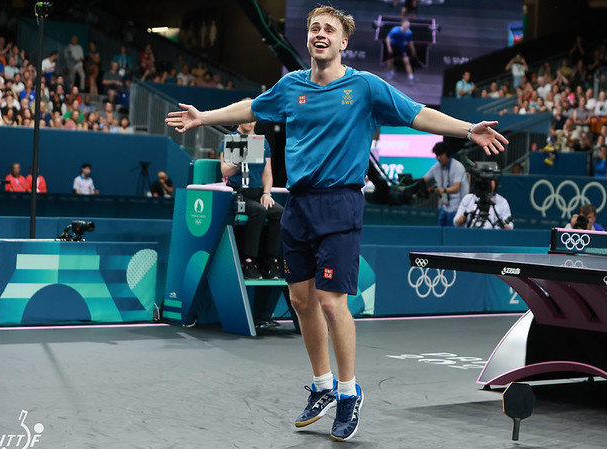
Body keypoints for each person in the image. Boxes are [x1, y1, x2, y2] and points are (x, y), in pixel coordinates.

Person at [164, 5, 507, 442]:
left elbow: (417, 113)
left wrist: (466, 129)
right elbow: (252, 106)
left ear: (344, 42)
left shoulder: (365, 87)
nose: (320, 34)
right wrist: (203, 117)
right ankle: (323, 386)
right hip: (299, 205)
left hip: (341, 203)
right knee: (301, 300)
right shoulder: (291, 87)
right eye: (314, 28)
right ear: (308, 40)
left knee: (330, 302)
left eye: (329, 29)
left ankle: (348, 394)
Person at [219, 119, 284, 282]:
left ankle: (270, 261)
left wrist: (267, 193)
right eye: (245, 118)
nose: (249, 122)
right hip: (237, 194)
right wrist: (237, 162)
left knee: (279, 212)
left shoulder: (262, 143)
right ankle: (248, 261)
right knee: (258, 210)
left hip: (258, 193)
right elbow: (225, 170)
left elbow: (267, 173)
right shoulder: (231, 139)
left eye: (252, 119)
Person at [422, 142, 469, 227]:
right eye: (437, 155)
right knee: (439, 232)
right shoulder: (436, 167)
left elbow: (456, 188)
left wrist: (442, 190)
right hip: (444, 205)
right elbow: (424, 179)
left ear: (447, 154)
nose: (438, 158)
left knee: (454, 233)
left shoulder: (458, 167)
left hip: (458, 206)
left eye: (440, 155)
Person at [385, 19, 416, 83]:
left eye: (408, 26)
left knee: (406, 61)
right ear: (402, 25)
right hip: (393, 47)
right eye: (406, 26)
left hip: (401, 48)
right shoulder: (395, 30)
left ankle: (411, 77)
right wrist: (389, 47)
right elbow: (388, 38)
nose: (407, 27)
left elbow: (410, 43)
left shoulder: (409, 33)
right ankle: (391, 72)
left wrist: (413, 51)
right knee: (390, 61)